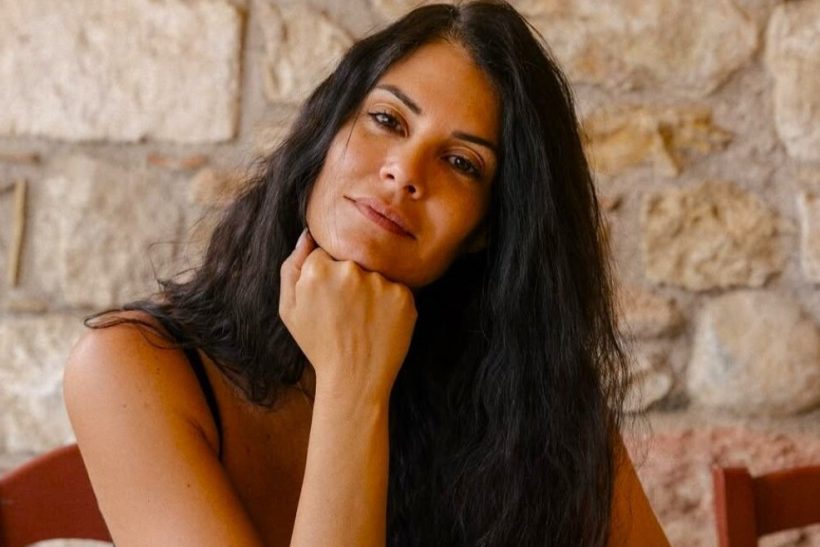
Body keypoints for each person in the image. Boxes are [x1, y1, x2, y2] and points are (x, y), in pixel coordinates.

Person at [63, 1, 670, 545]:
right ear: (326, 132)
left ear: (486, 229)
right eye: (388, 120)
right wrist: (353, 384)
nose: (404, 171)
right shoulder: (131, 367)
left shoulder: (527, 389)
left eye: (461, 162)